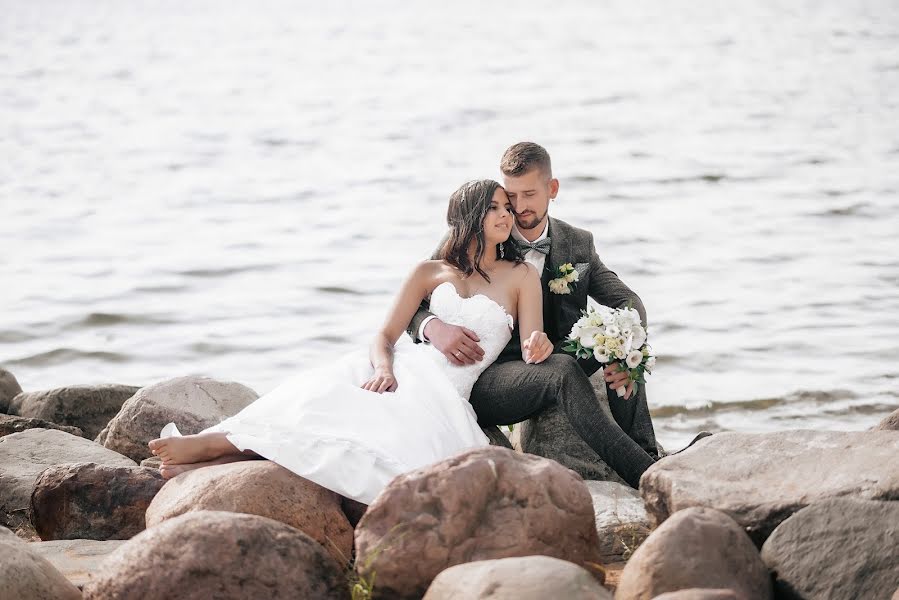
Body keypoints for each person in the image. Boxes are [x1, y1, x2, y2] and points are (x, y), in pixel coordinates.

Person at [148, 180, 555, 505]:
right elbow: (384, 336)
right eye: (496, 207)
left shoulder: (520, 276)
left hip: (446, 391)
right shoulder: (428, 272)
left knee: (368, 434)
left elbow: (530, 342)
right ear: (469, 215)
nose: (507, 214)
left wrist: (540, 346)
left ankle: (217, 460)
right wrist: (384, 368)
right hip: (397, 368)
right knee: (320, 400)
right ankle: (216, 444)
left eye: (508, 207)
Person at [408, 142, 660, 486]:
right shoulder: (476, 234)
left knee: (622, 341)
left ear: (552, 189)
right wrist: (433, 327)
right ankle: (645, 474)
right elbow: (417, 300)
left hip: (552, 354)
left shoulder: (577, 243)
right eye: (511, 195)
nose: (518, 207)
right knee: (567, 368)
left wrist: (620, 352)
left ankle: (649, 452)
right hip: (492, 372)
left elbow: (628, 301)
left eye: (529, 194)